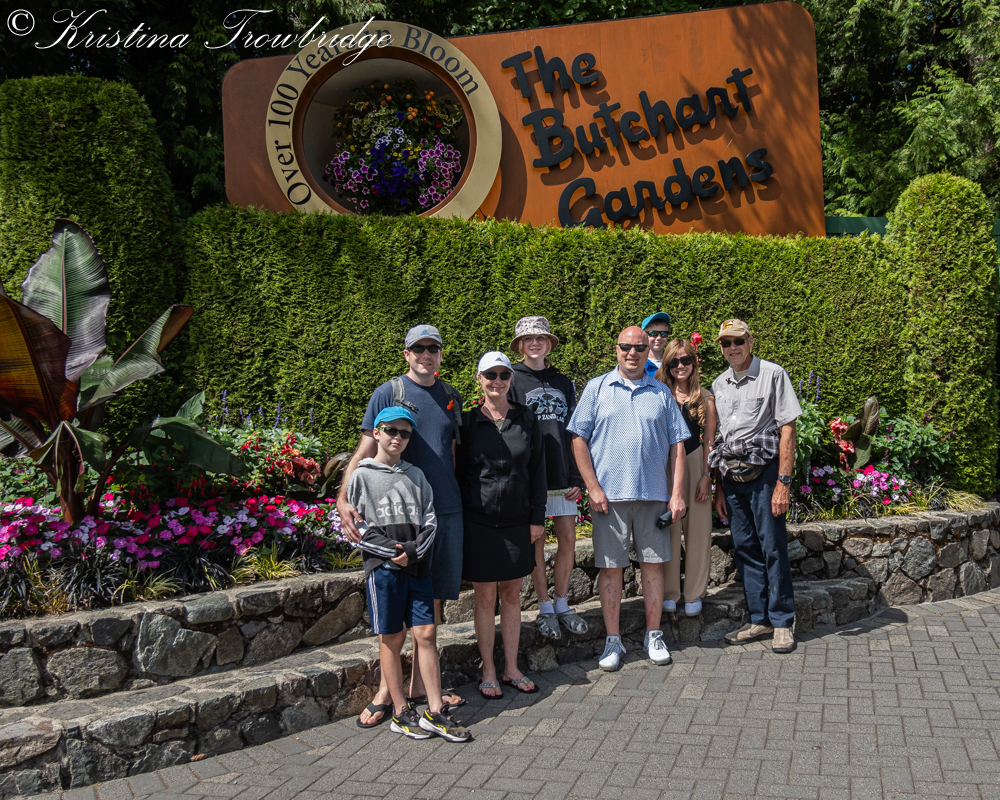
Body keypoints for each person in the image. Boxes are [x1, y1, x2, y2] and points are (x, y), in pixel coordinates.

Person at [338, 324, 466, 726]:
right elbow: (365, 448)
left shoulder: (451, 396)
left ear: (440, 354)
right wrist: (343, 498)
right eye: (419, 348)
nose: (426, 355)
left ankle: (418, 688)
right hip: (397, 522)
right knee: (394, 617)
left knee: (431, 604)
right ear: (407, 354)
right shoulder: (388, 393)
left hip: (443, 513)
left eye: (433, 348)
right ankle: (385, 692)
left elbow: (453, 453)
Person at [568, 326, 689, 671]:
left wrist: (676, 494)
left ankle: (654, 635)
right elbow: (578, 438)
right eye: (626, 346)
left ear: (647, 350)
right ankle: (613, 640)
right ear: (616, 349)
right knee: (610, 570)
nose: (632, 353)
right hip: (609, 499)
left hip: (653, 496)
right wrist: (592, 487)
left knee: (653, 567)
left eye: (639, 347)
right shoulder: (596, 388)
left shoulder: (661, 392)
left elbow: (677, 446)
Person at [348, 407, 471, 742]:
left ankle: (435, 711)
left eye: (404, 433)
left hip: (418, 567)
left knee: (427, 633)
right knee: (392, 638)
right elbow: (357, 528)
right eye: (391, 430)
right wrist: (393, 552)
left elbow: (430, 521)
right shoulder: (361, 477)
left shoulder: (416, 475)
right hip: (383, 571)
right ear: (376, 432)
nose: (398, 437)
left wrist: (412, 553)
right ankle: (401, 712)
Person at [707, 319, 802, 654]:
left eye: (738, 341)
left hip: (765, 476)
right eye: (725, 343)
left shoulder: (773, 374)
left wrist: (783, 483)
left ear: (750, 342)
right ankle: (758, 619)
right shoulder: (719, 384)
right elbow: (722, 440)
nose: (732, 348)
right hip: (732, 479)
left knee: (773, 547)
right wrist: (719, 488)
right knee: (745, 548)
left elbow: (787, 429)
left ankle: (782, 622)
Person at [459, 352, 547, 699]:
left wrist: (537, 518)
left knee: (511, 596)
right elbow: (459, 473)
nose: (497, 381)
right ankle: (489, 671)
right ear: (479, 379)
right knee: (484, 598)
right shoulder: (467, 422)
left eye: (503, 375)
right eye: (490, 375)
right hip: (478, 523)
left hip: (516, 522)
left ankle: (511, 668)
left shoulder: (527, 419)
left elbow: (537, 470)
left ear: (511, 379)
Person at [508, 316, 589, 640]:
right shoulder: (512, 379)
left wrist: (577, 476)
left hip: (561, 475)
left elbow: (574, 430)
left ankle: (562, 603)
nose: (535, 343)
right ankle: (544, 607)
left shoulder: (563, 381)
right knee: (537, 544)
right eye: (528, 339)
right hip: (532, 477)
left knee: (568, 540)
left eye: (540, 338)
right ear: (520, 345)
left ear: (549, 343)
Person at [655, 339, 718, 616]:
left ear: (693, 362)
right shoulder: (657, 393)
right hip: (664, 464)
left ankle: (694, 593)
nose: (680, 366)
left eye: (685, 360)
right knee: (668, 528)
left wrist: (706, 475)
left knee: (699, 530)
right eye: (674, 361)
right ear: (667, 365)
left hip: (694, 461)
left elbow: (710, 440)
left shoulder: (705, 397)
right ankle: (669, 592)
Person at [641, 312, 672, 378]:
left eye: (663, 333)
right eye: (653, 333)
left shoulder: (673, 362)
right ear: (644, 335)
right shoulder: (639, 364)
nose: (659, 338)